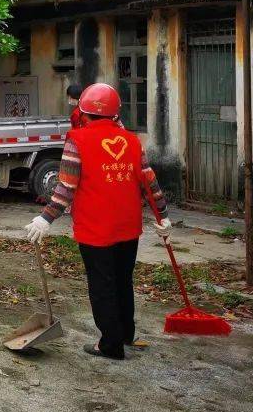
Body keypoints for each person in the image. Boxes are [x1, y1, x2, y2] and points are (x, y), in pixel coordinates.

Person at [23, 83, 172, 361]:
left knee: (102, 285)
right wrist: (163, 216)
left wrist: (46, 218)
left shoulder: (76, 140)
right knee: (122, 281)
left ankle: (111, 345)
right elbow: (149, 181)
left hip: (95, 229)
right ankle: (126, 334)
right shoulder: (131, 140)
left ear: (83, 112)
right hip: (128, 227)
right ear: (116, 114)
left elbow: (66, 186)